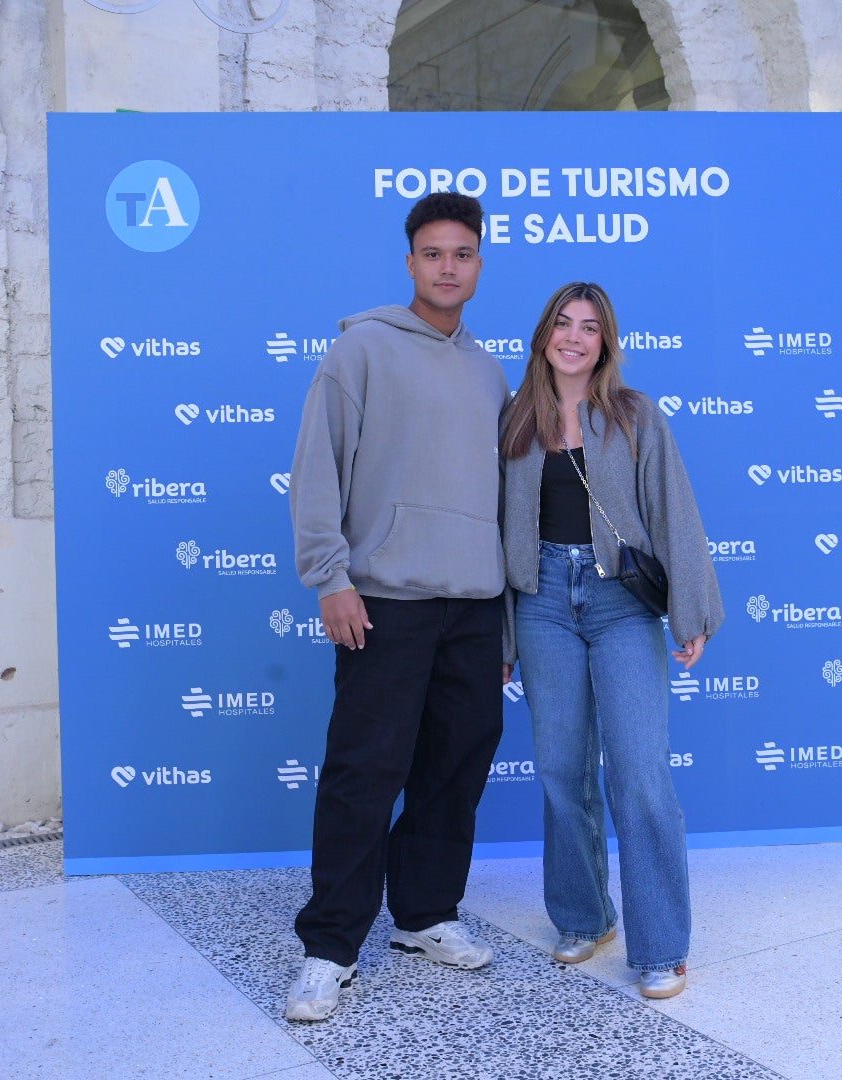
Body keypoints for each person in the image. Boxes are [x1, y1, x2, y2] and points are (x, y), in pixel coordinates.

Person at [284, 192, 509, 1022]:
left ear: (479, 267)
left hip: (474, 608)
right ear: (410, 263)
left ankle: (425, 915)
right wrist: (329, 577)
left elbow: (498, 501)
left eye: (463, 254)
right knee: (362, 774)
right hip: (381, 600)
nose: (448, 267)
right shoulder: (362, 351)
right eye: (433, 254)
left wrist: (506, 619)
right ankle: (329, 947)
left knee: (454, 771)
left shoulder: (490, 370)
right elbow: (317, 472)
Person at [500, 281, 724, 1000]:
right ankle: (584, 916)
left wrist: (692, 611)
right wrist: (501, 630)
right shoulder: (513, 422)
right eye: (562, 323)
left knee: (637, 772)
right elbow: (494, 532)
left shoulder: (633, 416)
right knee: (560, 771)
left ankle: (661, 945)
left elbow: (674, 510)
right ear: (543, 335)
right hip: (538, 603)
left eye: (589, 327)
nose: (573, 336)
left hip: (618, 602)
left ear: (605, 342)